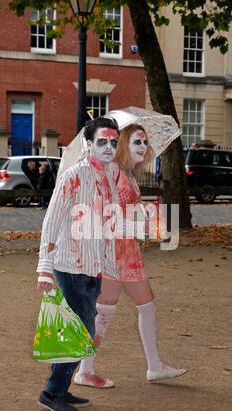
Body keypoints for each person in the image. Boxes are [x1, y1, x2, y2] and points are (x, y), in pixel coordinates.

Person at [74, 124, 188, 388]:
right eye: (138, 141)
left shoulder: (126, 173)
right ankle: (86, 370)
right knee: (107, 311)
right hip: (113, 249)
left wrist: (147, 213)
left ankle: (152, 366)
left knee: (131, 308)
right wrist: (141, 214)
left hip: (127, 249)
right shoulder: (112, 170)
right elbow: (102, 210)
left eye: (145, 142)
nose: (143, 147)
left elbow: (124, 210)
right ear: (125, 144)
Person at [36, 116, 120, 411]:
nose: (109, 147)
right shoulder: (73, 175)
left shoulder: (110, 176)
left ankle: (61, 389)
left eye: (113, 142)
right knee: (79, 331)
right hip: (70, 264)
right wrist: (45, 267)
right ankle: (51, 393)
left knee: (84, 327)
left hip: (93, 267)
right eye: (102, 141)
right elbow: (52, 220)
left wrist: (109, 262)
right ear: (88, 144)